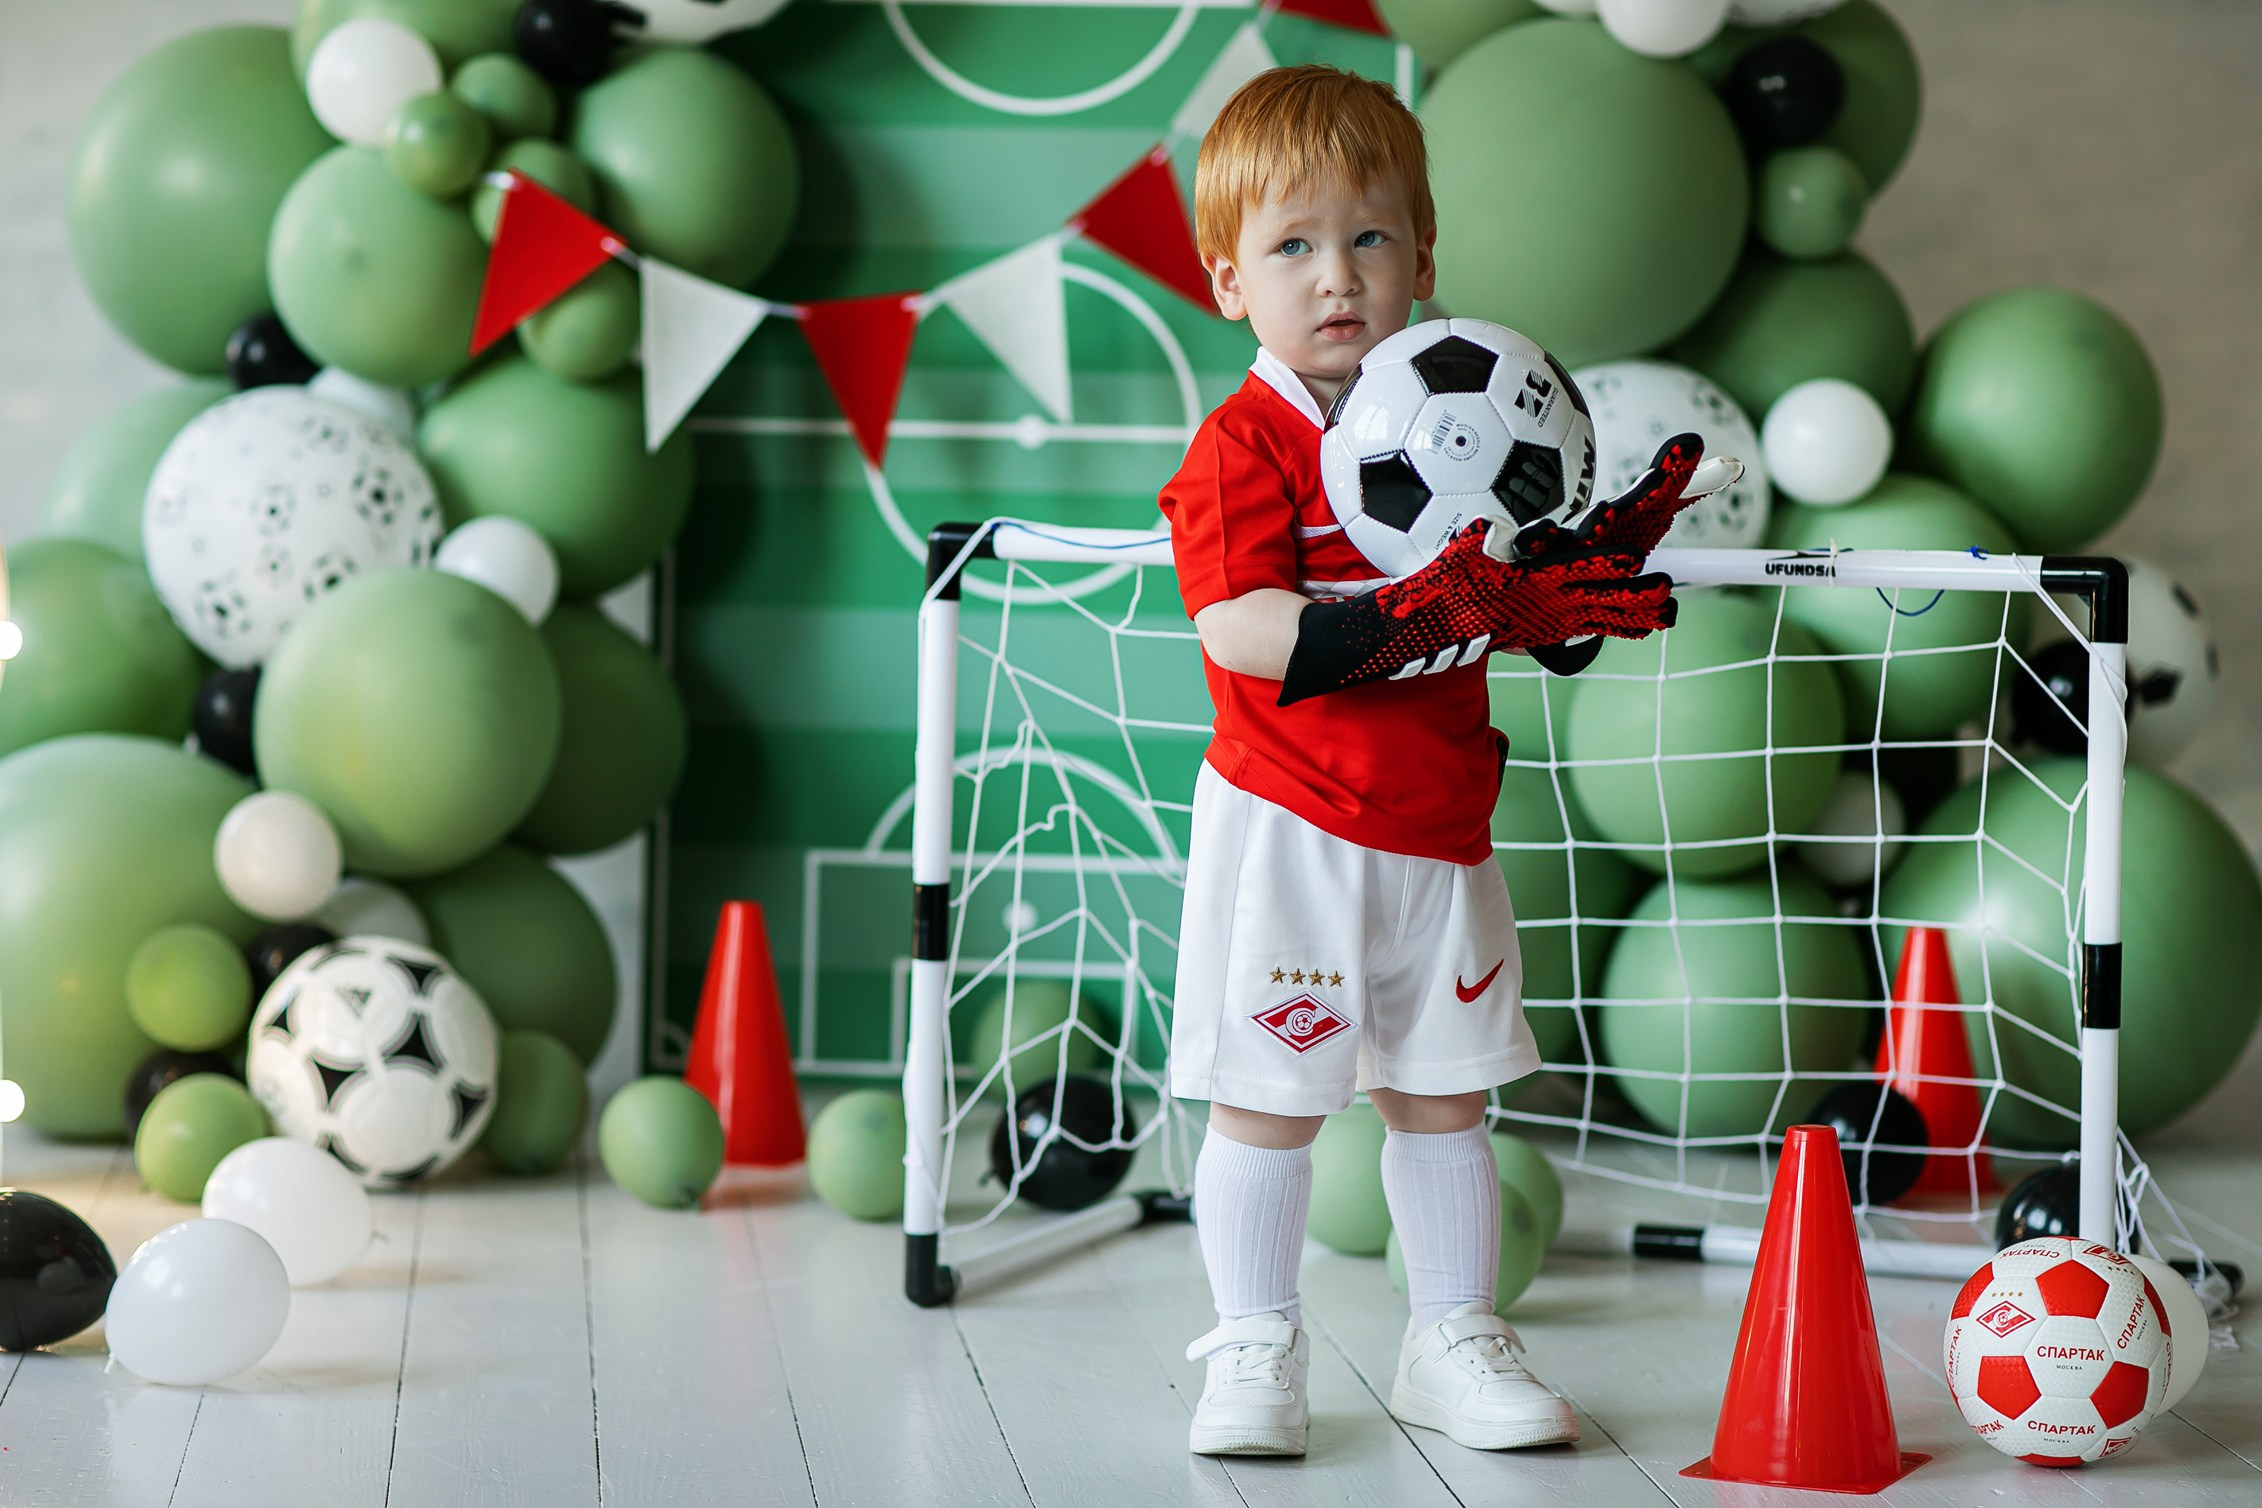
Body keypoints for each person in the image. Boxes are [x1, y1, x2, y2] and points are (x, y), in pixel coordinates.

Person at [1159, 63, 1695, 1459]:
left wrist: (1558, 597)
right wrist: (1422, 610)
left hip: (1442, 827)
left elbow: (1520, 611)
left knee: (1442, 1096)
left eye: (1368, 236)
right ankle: (1255, 1346)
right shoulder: (1242, 447)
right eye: (1290, 245)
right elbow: (1245, 631)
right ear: (1228, 281)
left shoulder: (1486, 418)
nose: (1334, 275)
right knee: (1270, 1102)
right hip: (1294, 826)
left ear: (1422, 257)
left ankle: (1447, 1334)